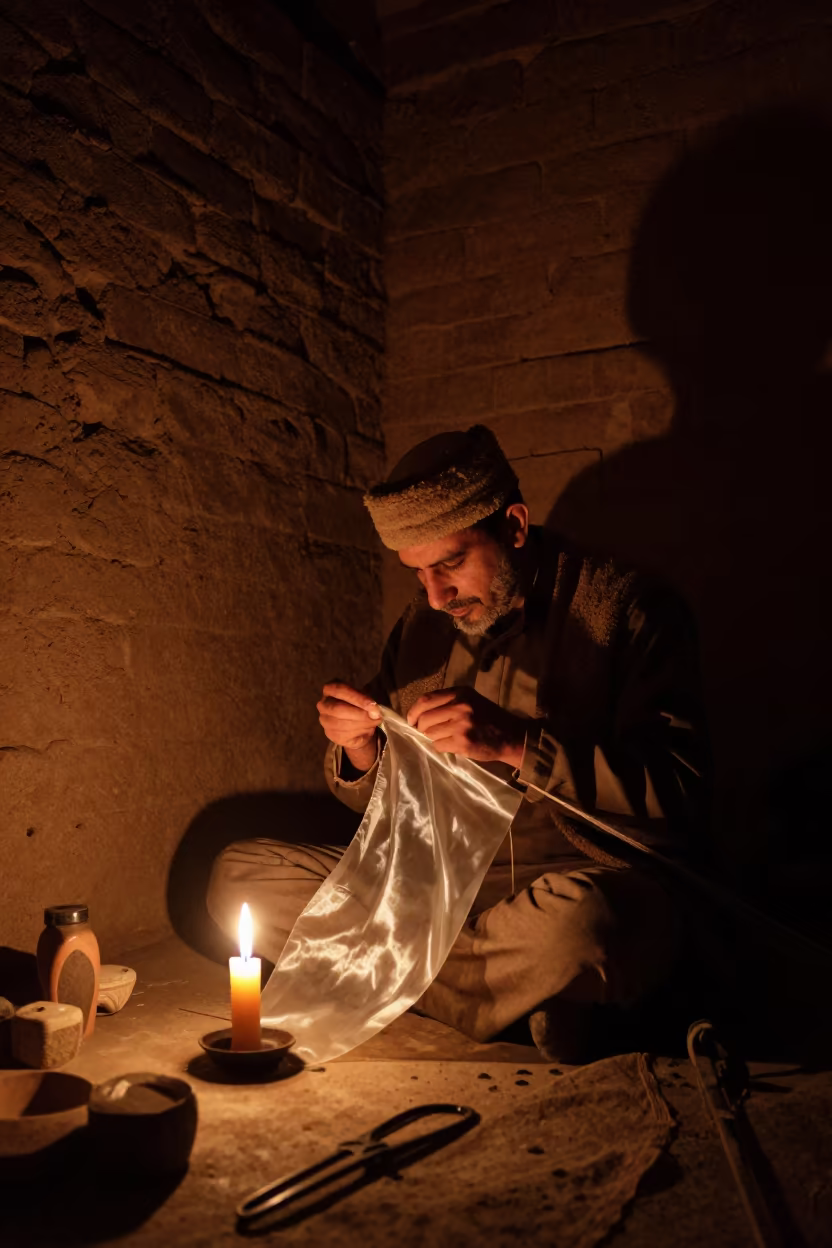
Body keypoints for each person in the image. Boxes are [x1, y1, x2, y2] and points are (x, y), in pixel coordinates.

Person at [207, 426, 709, 1060]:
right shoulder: (423, 626)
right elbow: (390, 804)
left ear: (515, 528)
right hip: (436, 889)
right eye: (417, 573)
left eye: (449, 563)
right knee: (239, 880)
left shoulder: (629, 609)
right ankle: (510, 1000)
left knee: (582, 931)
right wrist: (360, 751)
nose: (436, 596)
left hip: (573, 884)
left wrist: (519, 743)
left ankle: (430, 980)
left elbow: (683, 790)